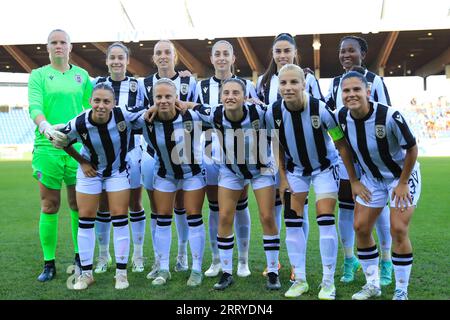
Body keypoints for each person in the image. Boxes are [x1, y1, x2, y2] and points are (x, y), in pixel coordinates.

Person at [265, 64, 362, 300]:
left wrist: (352, 177)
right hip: (295, 172)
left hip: (324, 169)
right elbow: (276, 144)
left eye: (293, 82)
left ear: (304, 84)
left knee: (325, 221)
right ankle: (300, 280)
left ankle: (328, 283)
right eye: (284, 83)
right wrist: (282, 178)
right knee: (293, 223)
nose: (288, 87)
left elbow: (340, 144)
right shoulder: (273, 112)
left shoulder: (321, 110)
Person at [188, 78, 280, 290]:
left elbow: (280, 114)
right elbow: (194, 106)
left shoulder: (260, 112)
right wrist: (179, 103)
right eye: (226, 92)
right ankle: (227, 271)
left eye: (235, 93)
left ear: (245, 96)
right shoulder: (216, 113)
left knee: (267, 216)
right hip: (231, 170)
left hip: (262, 169)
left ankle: (273, 271)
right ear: (221, 96)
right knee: (225, 215)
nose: (230, 96)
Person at [51, 83, 145, 290]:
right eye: (97, 100)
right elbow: (63, 140)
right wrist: (82, 162)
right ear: (91, 101)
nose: (101, 105)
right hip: (89, 172)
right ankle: (86, 274)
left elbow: (147, 115)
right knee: (86, 219)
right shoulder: (80, 121)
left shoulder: (124, 116)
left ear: (113, 103)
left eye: (106, 101)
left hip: (117, 171)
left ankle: (121, 274)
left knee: (120, 217)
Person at [336, 71, 420, 300]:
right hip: (372, 179)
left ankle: (401, 290)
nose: (351, 94)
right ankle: (372, 284)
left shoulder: (390, 116)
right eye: (346, 90)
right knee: (361, 228)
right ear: (341, 94)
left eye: (356, 89)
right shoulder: (339, 118)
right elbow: (341, 146)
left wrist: (403, 182)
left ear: (367, 92)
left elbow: (412, 149)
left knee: (398, 229)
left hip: (400, 176)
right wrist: (353, 180)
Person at [325, 35, 393, 285]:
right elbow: (331, 117)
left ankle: (386, 261)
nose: (345, 55)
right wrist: (337, 142)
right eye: (342, 51)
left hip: (373, 158)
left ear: (363, 53)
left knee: (379, 208)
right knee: (346, 205)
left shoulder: (376, 81)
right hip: (346, 156)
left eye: (351, 51)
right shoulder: (335, 82)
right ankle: (349, 258)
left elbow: (385, 117)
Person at [256, 33, 325, 279]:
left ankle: (298, 265)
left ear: (295, 52)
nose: (282, 55)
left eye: (287, 50)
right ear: (272, 54)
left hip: (297, 155)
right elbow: (262, 118)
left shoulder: (307, 78)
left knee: (298, 208)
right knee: (274, 207)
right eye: (278, 51)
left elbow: (318, 110)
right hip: (270, 153)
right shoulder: (264, 82)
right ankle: (274, 262)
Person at [28, 29, 93, 282]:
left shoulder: (82, 75)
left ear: (70, 47)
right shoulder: (38, 75)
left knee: (78, 204)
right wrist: (45, 127)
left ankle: (80, 258)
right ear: (47, 47)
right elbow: (35, 106)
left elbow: (92, 105)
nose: (58, 46)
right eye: (53, 42)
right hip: (48, 147)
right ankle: (49, 263)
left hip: (75, 146)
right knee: (49, 205)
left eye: (62, 42)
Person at [194, 40, 256, 278]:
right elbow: (194, 113)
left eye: (225, 54)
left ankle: (243, 260)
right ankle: (217, 259)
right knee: (215, 207)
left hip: (240, 154)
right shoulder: (201, 87)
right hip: (210, 154)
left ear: (233, 58)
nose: (221, 58)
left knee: (240, 206)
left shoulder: (247, 85)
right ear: (211, 59)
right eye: (216, 54)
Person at [140, 78, 206, 287]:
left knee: (194, 217)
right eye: (158, 97)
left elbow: (215, 112)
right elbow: (120, 116)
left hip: (192, 173)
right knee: (163, 219)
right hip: (165, 174)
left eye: (168, 96)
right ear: (152, 100)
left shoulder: (192, 116)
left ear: (176, 97)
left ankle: (196, 269)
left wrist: (193, 104)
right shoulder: (146, 120)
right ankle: (163, 268)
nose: (163, 101)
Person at [92, 42, 147, 274]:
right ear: (107, 61)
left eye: (120, 58)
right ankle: (104, 256)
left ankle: (138, 254)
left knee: (134, 203)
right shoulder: (96, 84)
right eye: (112, 57)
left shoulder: (138, 85)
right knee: (103, 207)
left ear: (127, 61)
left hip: (132, 152)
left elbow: (146, 114)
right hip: (103, 155)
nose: (116, 61)